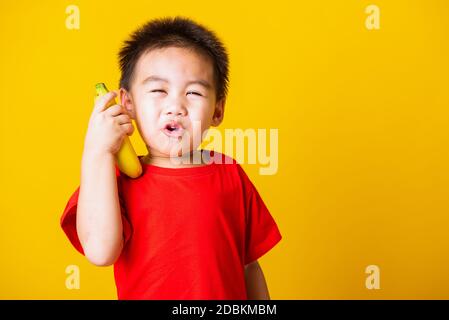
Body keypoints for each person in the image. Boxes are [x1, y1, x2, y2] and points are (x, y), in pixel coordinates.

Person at [60, 16, 282, 300]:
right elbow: (100, 251)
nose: (175, 106)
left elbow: (249, 266)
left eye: (193, 92)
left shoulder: (229, 174)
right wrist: (97, 150)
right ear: (127, 104)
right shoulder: (116, 181)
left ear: (217, 111)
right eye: (158, 91)